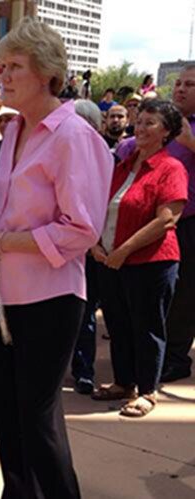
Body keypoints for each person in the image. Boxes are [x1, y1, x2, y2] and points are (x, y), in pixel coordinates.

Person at [0, 18, 113, 498]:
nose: (3, 76)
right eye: (3, 65)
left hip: (49, 298)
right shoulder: (12, 131)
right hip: (3, 293)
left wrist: (2, 242)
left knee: (38, 419)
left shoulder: (74, 135)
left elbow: (82, 228)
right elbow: (5, 208)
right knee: (8, 415)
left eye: (14, 67)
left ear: (47, 73)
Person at [91, 99, 187, 417]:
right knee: (118, 324)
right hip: (110, 260)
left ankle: (147, 391)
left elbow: (166, 219)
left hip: (150, 262)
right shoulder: (121, 164)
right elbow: (98, 207)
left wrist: (124, 250)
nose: (141, 127)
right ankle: (123, 382)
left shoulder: (171, 168)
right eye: (140, 120)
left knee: (147, 327)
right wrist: (97, 245)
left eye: (151, 122)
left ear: (167, 132)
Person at [116, 65, 195, 383]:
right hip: (144, 223)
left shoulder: (186, 134)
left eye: (190, 84)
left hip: (186, 223)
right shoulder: (164, 126)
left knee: (185, 295)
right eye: (177, 83)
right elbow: (124, 151)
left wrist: (189, 142)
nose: (180, 89)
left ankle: (175, 358)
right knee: (152, 298)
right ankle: (147, 359)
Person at [70, 99, 104, 395]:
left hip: (93, 250)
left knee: (86, 313)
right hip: (62, 253)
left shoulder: (104, 156)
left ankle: (84, 370)